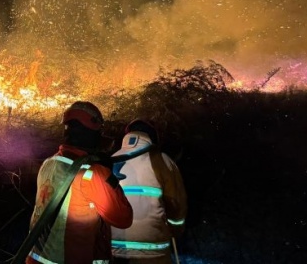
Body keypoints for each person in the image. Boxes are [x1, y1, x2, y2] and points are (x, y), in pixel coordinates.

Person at [26, 101, 133, 264]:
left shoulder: (48, 163)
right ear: (93, 132)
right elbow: (123, 218)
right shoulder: (93, 173)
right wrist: (109, 176)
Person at [110, 119, 187, 264]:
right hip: (153, 253)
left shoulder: (108, 161)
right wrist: (175, 229)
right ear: (152, 137)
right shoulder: (162, 160)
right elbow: (176, 204)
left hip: (113, 252)